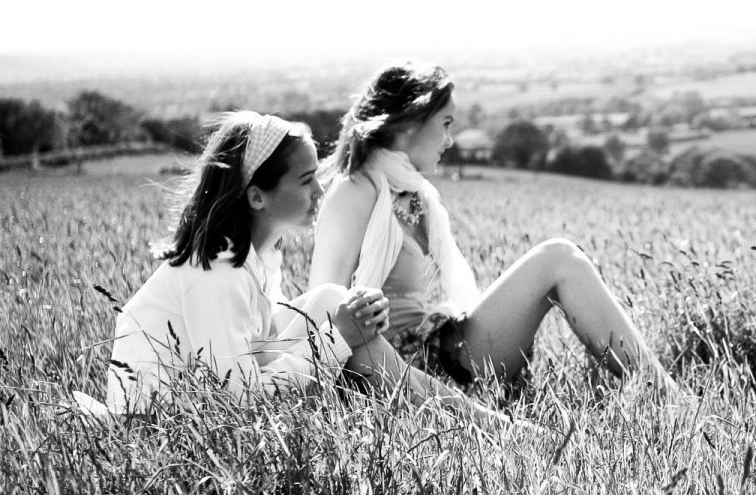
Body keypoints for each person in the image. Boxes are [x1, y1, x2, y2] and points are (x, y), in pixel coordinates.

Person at [102, 110, 509, 427]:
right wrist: (338, 338)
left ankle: (474, 422)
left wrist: (351, 318)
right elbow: (238, 400)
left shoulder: (256, 258)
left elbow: (265, 343)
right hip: (160, 426)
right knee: (340, 317)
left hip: (200, 406)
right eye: (305, 181)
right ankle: (477, 426)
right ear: (257, 197)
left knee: (336, 300)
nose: (320, 192)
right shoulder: (216, 272)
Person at [310, 62, 678, 396]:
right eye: (446, 124)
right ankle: (665, 395)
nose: (450, 141)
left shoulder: (417, 193)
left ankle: (660, 392)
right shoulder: (355, 191)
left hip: (440, 350)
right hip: (394, 372)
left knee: (561, 257)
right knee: (558, 256)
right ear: (410, 122)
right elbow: (321, 311)